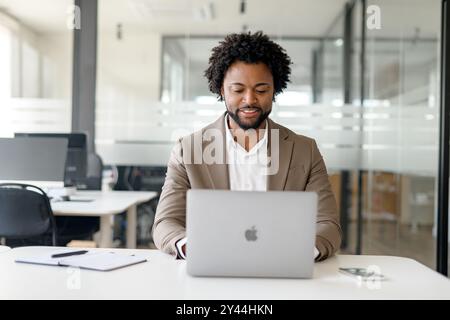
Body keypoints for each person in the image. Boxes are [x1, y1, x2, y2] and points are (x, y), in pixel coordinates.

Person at [152, 31, 341, 261]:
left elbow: (328, 225)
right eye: (238, 90)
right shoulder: (188, 150)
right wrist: (192, 246)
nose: (250, 99)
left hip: (282, 269)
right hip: (213, 269)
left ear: (274, 91)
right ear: (222, 90)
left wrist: (300, 251)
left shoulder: (304, 151)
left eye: (261, 90)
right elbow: (165, 223)